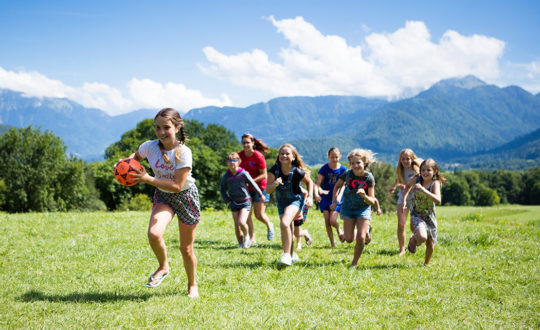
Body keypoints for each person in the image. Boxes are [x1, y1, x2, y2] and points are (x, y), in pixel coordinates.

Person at [128, 108, 200, 298]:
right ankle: (163, 266)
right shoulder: (149, 147)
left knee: (186, 248)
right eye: (157, 128)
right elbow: (134, 159)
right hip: (163, 196)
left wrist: (147, 178)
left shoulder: (184, 152)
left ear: (177, 127)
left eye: (166, 127)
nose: (161, 132)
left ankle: (192, 285)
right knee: (153, 233)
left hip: (185, 198)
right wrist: (123, 165)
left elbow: (177, 185)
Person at [266, 144, 314, 266]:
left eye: (287, 154)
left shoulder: (297, 171)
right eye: (282, 153)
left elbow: (309, 182)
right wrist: (275, 184)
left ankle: (286, 254)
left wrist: (310, 197)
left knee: (284, 223)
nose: (284, 156)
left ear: (293, 157)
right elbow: (268, 190)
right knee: (289, 228)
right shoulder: (274, 170)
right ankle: (292, 255)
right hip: (282, 203)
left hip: (296, 201)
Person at [331, 149, 377, 267]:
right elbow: (337, 186)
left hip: (363, 209)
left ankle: (354, 263)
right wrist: (335, 201)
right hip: (348, 208)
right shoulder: (347, 174)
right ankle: (366, 231)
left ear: (364, 163)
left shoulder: (369, 178)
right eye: (353, 163)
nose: (355, 166)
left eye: (358, 163)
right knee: (349, 238)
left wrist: (364, 196)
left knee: (360, 238)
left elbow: (372, 201)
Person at [401, 158, 446, 265]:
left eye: (428, 170)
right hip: (417, 214)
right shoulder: (416, 179)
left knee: (430, 243)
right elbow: (407, 186)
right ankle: (414, 239)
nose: (425, 172)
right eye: (423, 170)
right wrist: (404, 200)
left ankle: (426, 264)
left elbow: (438, 200)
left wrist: (423, 190)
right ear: (420, 171)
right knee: (422, 237)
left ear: (434, 171)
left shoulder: (435, 183)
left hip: (429, 216)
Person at [219, 152, 265, 248]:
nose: (232, 163)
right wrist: (227, 200)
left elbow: (253, 184)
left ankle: (246, 235)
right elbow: (222, 189)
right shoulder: (226, 176)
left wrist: (260, 194)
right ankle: (240, 244)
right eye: (230, 161)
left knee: (242, 222)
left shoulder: (243, 173)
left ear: (239, 162)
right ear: (227, 163)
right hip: (233, 202)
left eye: (234, 160)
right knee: (237, 225)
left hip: (245, 201)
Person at [238, 133, 274, 245]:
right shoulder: (240, 156)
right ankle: (252, 238)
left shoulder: (258, 156)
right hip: (247, 189)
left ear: (253, 143)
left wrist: (251, 182)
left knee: (259, 215)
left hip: (260, 188)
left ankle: (269, 225)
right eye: (244, 143)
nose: (245, 145)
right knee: (247, 215)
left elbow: (264, 175)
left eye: (248, 142)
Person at [389, 149, 421, 256]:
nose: (405, 161)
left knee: (413, 226)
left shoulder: (417, 170)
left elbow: (419, 184)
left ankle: (414, 240)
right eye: (403, 159)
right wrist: (394, 187)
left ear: (412, 159)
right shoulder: (400, 170)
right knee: (401, 224)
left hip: (415, 199)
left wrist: (408, 187)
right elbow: (398, 179)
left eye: (407, 159)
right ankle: (402, 249)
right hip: (403, 198)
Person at [315, 147, 346, 248]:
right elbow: (318, 184)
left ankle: (338, 229)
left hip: (336, 197)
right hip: (326, 197)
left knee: (332, 221)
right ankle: (332, 244)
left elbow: (344, 184)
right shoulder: (324, 168)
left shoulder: (343, 169)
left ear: (340, 156)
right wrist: (319, 191)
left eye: (336, 157)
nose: (334, 159)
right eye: (332, 157)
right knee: (327, 221)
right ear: (328, 156)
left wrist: (340, 195)